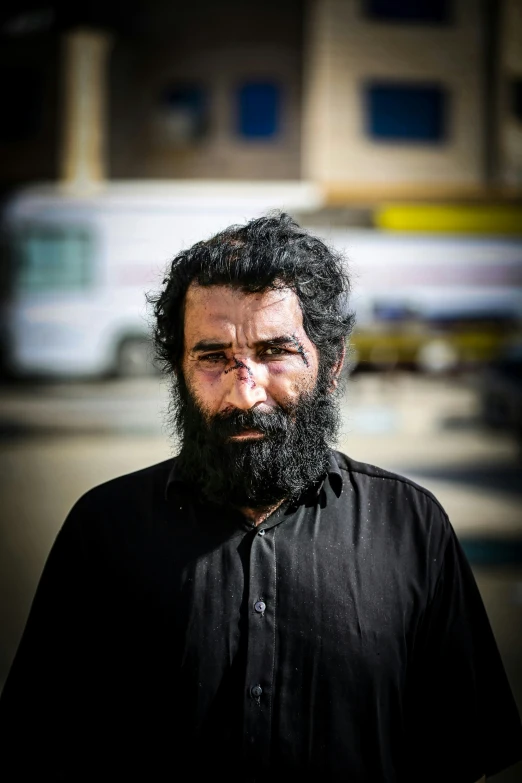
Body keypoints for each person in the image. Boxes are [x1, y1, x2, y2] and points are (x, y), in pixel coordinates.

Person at [0, 213, 521, 782]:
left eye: (276, 351)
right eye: (213, 356)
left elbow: (461, 759)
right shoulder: (103, 530)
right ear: (178, 367)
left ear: (332, 364)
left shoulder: (412, 527)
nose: (246, 392)